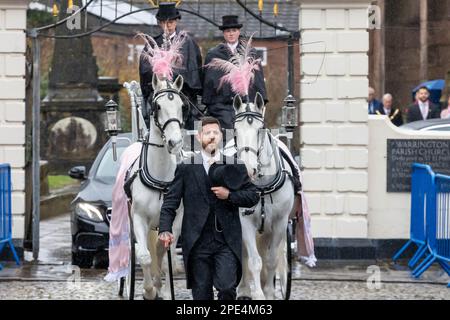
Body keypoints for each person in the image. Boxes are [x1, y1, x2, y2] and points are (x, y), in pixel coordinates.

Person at [158, 117, 259, 300]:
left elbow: (253, 195)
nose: (212, 136)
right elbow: (170, 202)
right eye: (207, 133)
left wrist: (230, 195)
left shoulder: (235, 165)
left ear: (221, 136)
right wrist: (165, 229)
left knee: (227, 288)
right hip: (197, 243)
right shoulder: (186, 168)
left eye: (215, 133)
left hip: (226, 241)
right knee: (201, 295)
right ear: (199, 137)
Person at [139, 2, 203, 129]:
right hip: (158, 91)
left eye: (170, 22)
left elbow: (194, 70)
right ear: (159, 23)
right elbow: (145, 70)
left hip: (182, 91)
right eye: (164, 23)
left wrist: (174, 76)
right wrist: (159, 75)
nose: (167, 26)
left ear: (176, 22)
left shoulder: (188, 43)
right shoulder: (152, 44)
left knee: (188, 108)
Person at [202, 15, 268, 131]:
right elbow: (208, 84)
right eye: (227, 31)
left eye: (234, 30)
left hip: (246, 105)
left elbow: (258, 81)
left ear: (239, 32)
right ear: (223, 33)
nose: (231, 34)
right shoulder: (213, 55)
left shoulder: (251, 53)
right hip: (221, 107)